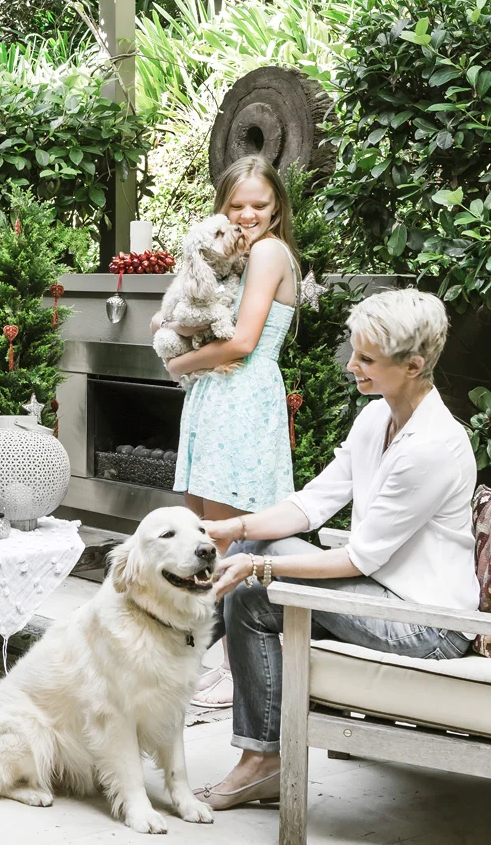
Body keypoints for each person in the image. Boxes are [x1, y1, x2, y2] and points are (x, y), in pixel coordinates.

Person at [193, 288, 477, 810]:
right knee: (257, 543)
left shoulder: (432, 448)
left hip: (428, 623)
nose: (351, 367)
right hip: (379, 592)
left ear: (413, 365)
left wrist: (260, 566)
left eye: (366, 359)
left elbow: (356, 558)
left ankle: (263, 763)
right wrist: (236, 527)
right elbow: (312, 504)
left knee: (255, 592)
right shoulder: (377, 417)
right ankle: (159, 665)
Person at [151, 155, 301, 710]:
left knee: (225, 540)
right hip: (216, 399)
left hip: (240, 398)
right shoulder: (234, 257)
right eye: (235, 205)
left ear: (277, 208)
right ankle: (205, 658)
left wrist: (177, 365)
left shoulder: (268, 251)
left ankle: (233, 669)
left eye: (258, 205)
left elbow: (241, 343)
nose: (245, 215)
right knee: (203, 536)